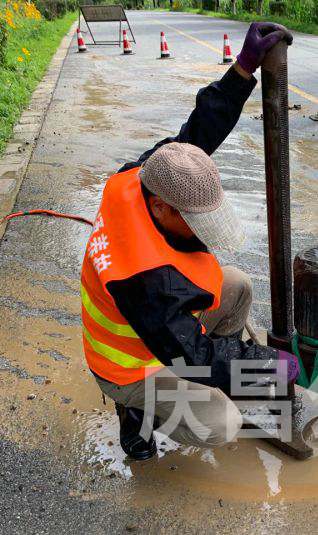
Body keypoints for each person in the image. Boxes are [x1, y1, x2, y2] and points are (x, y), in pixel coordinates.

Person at [80, 22, 299, 461]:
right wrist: (259, 363)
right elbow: (191, 352)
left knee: (235, 286)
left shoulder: (143, 175)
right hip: (127, 365)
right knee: (223, 424)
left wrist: (242, 71)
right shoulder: (145, 279)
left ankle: (196, 389)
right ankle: (137, 411)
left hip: (154, 334)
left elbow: (194, 137)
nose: (203, 231)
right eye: (195, 221)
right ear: (161, 207)